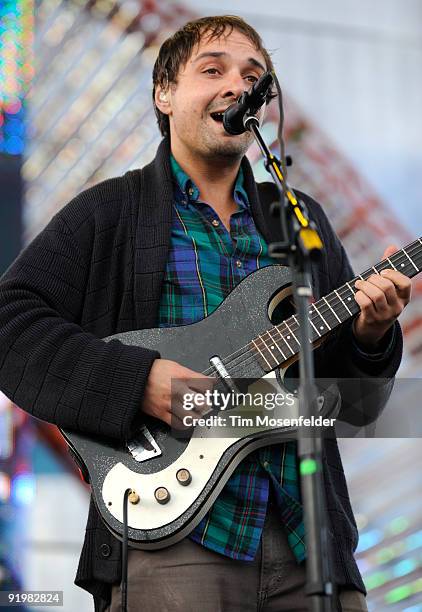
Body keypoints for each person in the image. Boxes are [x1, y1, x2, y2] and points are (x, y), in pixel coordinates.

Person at [0, 15, 411, 612]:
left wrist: (371, 337)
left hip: (307, 538)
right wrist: (137, 381)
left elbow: (354, 406)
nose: (235, 86)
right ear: (164, 93)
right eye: (212, 69)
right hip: (174, 538)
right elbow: (11, 324)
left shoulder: (298, 223)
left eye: (253, 77)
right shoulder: (111, 212)